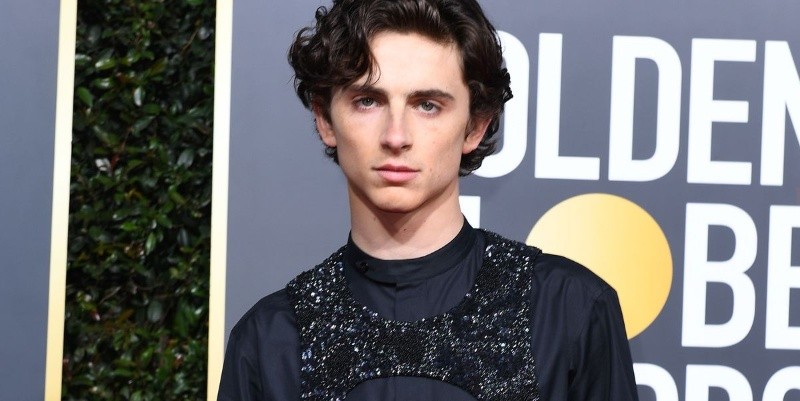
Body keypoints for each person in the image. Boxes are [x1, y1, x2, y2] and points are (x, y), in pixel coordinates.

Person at [218, 0, 639, 400]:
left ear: (475, 126)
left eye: (427, 105)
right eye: (368, 101)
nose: (396, 136)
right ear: (325, 118)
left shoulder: (570, 310)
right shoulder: (269, 339)